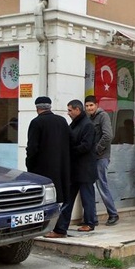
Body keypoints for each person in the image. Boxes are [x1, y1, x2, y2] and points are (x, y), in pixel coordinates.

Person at [44, 99, 97, 238]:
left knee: (87, 197)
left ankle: (90, 222)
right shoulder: (74, 124)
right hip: (74, 169)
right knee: (68, 199)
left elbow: (86, 146)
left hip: (85, 169)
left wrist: (69, 151)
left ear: (77, 110)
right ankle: (61, 228)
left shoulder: (87, 126)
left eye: (70, 110)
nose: (68, 113)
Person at [26, 96, 71, 209]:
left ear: (37, 108)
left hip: (42, 169)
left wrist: (29, 164)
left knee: (45, 199)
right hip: (61, 166)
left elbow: (32, 147)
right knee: (60, 197)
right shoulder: (62, 121)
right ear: (50, 107)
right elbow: (70, 141)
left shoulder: (36, 122)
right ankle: (60, 225)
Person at [84, 95, 119, 226]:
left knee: (102, 185)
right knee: (90, 186)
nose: (89, 108)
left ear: (96, 105)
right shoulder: (88, 118)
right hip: (91, 158)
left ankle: (113, 214)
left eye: (91, 105)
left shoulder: (102, 116)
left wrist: (97, 150)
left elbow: (108, 135)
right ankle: (91, 217)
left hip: (101, 157)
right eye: (87, 106)